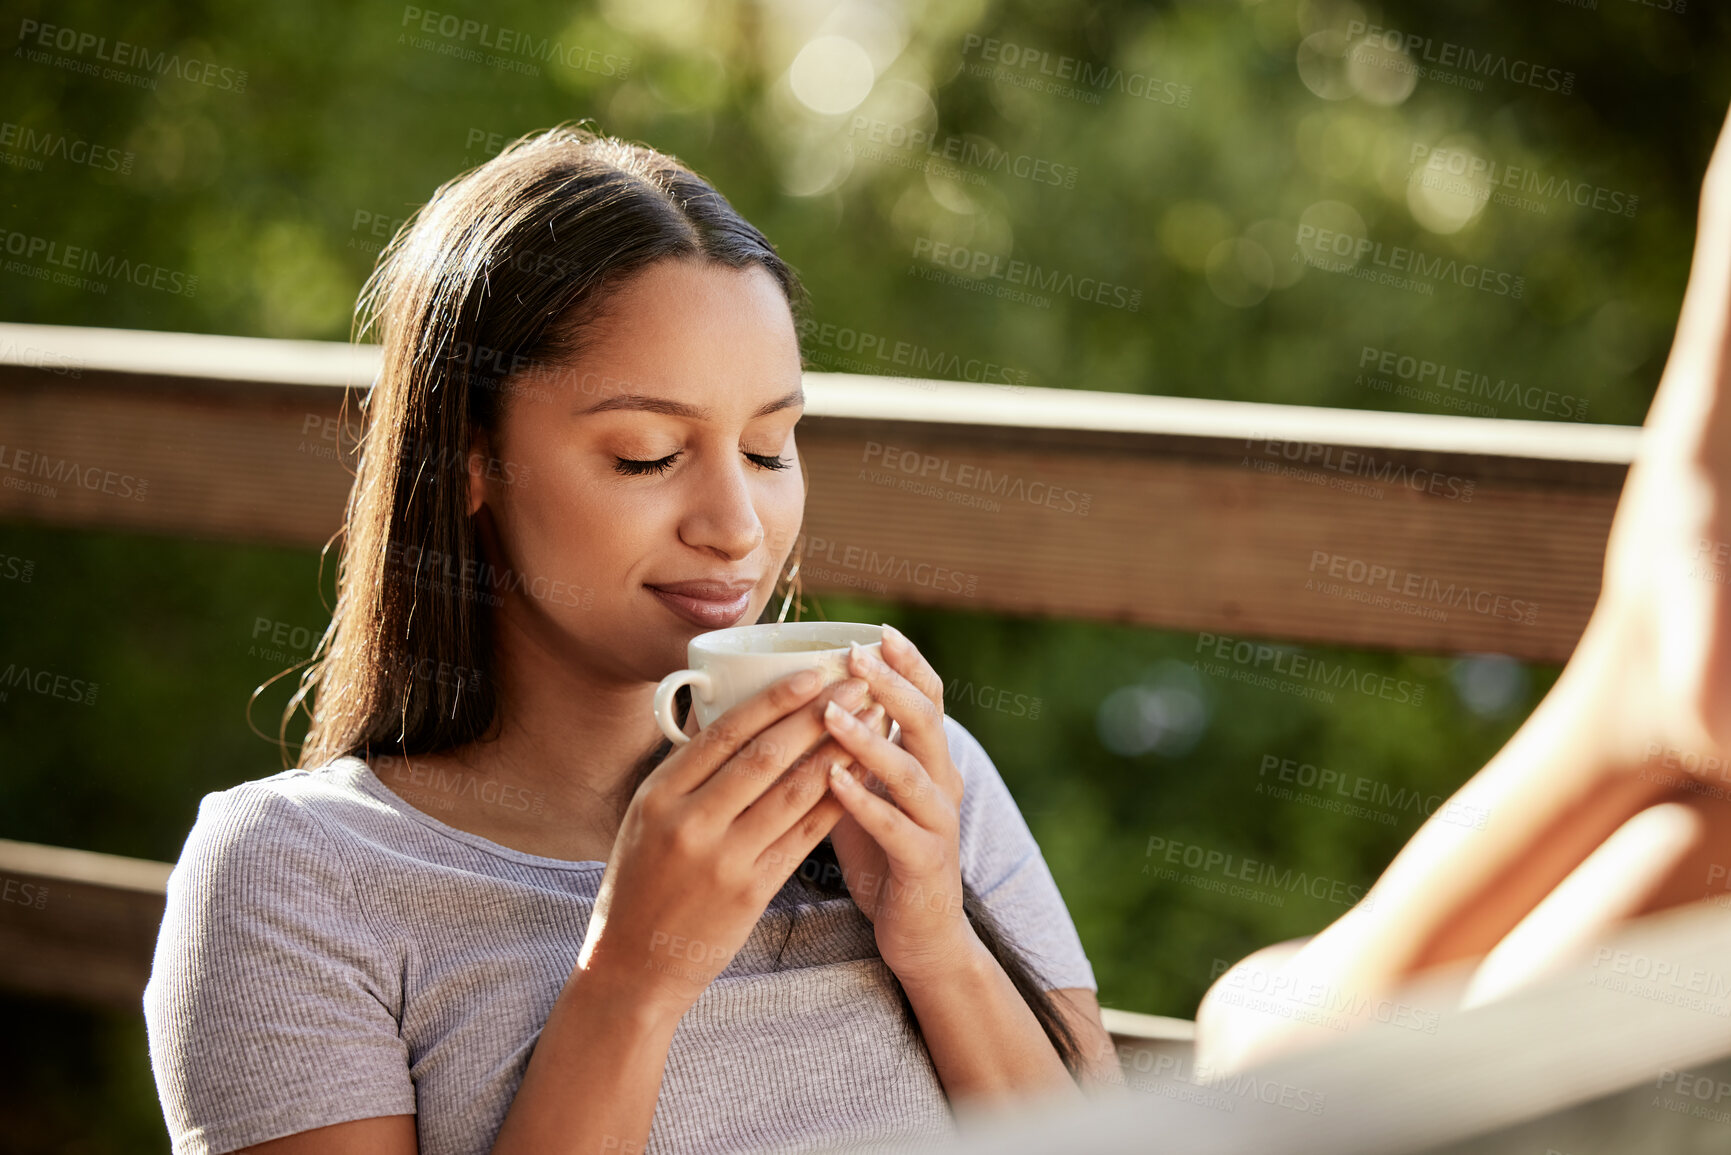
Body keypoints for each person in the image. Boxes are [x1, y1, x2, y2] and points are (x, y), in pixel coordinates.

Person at [141, 126, 1119, 1155]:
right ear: (472, 461)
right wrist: (631, 979)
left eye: (768, 447)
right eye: (648, 456)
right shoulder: (297, 877)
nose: (738, 526)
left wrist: (935, 941)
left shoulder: (915, 784)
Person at [1198, 99, 1731, 1075]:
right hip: (1664, 696)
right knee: (1324, 1059)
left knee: (1327, 1057)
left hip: (1674, 711)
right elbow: (1702, 649)